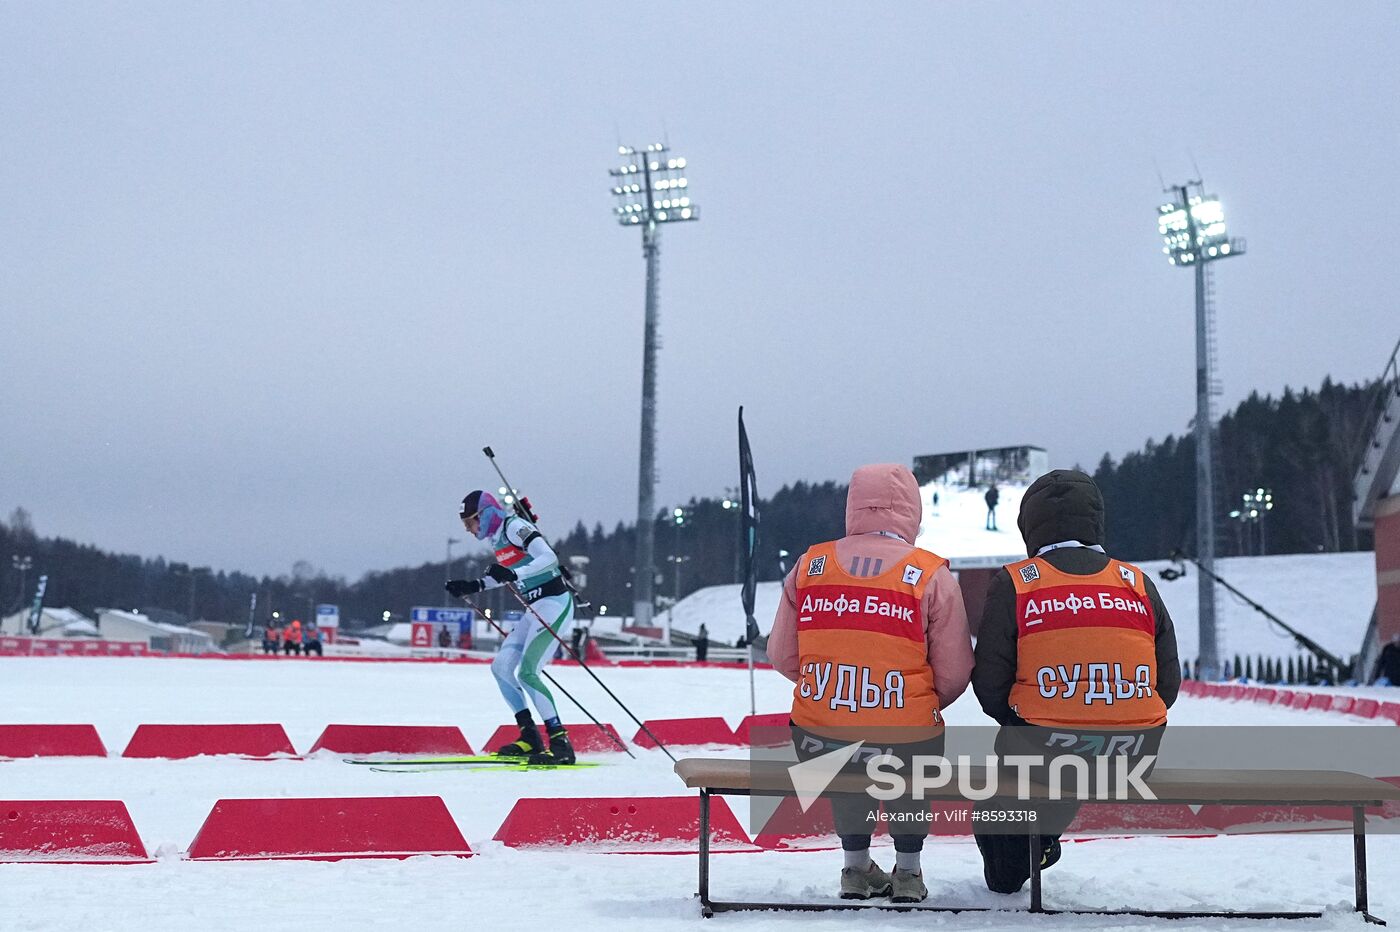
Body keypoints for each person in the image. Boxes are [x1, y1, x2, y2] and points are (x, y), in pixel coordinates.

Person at [769, 463, 973, 903]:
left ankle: (856, 868)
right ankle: (908, 872)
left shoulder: (811, 565)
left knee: (844, 752)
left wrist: (834, 693)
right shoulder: (930, 574)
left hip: (817, 733)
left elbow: (783, 655)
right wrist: (915, 701)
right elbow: (955, 671)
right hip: (906, 733)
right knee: (909, 764)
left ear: (853, 507)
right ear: (912, 511)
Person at [971, 468, 1180, 894]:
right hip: (1135, 752)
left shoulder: (1015, 583)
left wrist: (1027, 714)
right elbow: (1168, 683)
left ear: (1029, 524)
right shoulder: (1138, 582)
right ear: (1095, 521)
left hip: (1044, 749)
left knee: (1006, 789)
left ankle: (1025, 851)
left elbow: (990, 683)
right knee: (1068, 755)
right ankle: (1039, 838)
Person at [446, 490, 576, 765]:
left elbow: (549, 558)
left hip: (554, 604)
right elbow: (505, 575)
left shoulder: (514, 526)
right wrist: (473, 586)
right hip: (534, 609)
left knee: (528, 673)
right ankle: (530, 737)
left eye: (470, 522)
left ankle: (560, 741)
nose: (469, 530)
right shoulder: (497, 540)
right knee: (501, 668)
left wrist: (515, 573)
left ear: (484, 514)